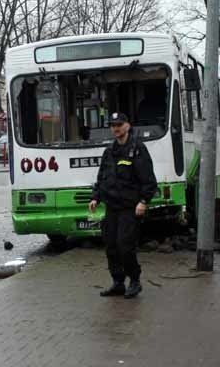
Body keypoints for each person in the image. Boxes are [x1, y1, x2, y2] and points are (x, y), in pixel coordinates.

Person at [88, 112, 157, 299]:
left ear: (127, 125)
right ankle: (118, 282)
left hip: (129, 208)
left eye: (119, 124)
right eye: (112, 125)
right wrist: (95, 198)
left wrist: (144, 201)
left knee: (125, 246)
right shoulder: (109, 152)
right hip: (112, 207)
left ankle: (135, 281)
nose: (115, 128)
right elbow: (102, 178)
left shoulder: (137, 149)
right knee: (111, 246)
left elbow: (149, 180)